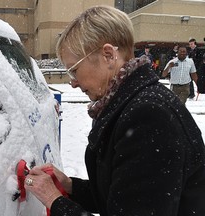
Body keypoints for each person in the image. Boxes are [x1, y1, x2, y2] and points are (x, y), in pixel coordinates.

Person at [24, 6, 205, 216]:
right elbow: (123, 194)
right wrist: (70, 185)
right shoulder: (133, 103)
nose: (73, 82)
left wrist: (55, 202)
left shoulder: (148, 117)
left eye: (74, 69)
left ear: (108, 55)